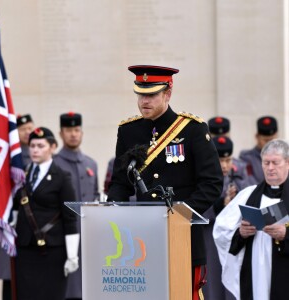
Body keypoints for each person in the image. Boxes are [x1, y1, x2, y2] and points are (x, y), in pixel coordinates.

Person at [107, 65, 223, 299]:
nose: (144, 101)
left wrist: (179, 216)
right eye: (140, 94)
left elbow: (211, 184)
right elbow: (120, 183)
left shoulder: (192, 130)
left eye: (151, 94)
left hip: (182, 237)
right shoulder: (128, 131)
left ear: (168, 94)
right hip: (142, 240)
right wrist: (112, 213)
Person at [213, 139, 289, 300]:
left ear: (287, 163)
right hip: (255, 271)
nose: (270, 168)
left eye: (275, 163)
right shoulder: (247, 195)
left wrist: (286, 234)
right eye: (266, 162)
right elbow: (221, 231)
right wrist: (241, 233)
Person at [12, 127, 79, 300]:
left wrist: (72, 255)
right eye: (32, 145)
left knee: (50, 295)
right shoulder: (22, 174)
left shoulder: (62, 176)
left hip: (52, 250)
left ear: (52, 147)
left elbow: (70, 216)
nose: (34, 150)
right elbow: (15, 208)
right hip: (26, 248)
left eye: (40, 146)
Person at [53, 112, 99, 300]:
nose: (73, 134)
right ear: (61, 133)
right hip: (63, 235)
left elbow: (96, 194)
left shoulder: (91, 164)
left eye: (77, 130)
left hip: (88, 235)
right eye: (69, 130)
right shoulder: (54, 164)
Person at [0, 113, 34, 300]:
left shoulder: (38, 156)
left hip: (32, 224)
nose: (27, 132)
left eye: (30, 128)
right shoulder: (8, 159)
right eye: (23, 129)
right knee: (10, 282)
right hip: (12, 221)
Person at [203, 136, 250, 300]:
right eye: (220, 160)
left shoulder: (241, 179)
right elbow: (194, 211)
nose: (224, 165)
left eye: (228, 160)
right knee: (213, 282)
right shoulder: (202, 179)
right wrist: (220, 205)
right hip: (211, 238)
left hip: (235, 240)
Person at [208, 116, 250, 185]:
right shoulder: (201, 166)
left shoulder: (240, 167)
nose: (221, 141)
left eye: (224, 137)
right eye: (215, 138)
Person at [239, 115, 278, 185]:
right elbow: (249, 184)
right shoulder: (247, 158)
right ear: (257, 137)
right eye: (266, 140)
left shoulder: (285, 156)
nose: (270, 144)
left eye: (272, 140)